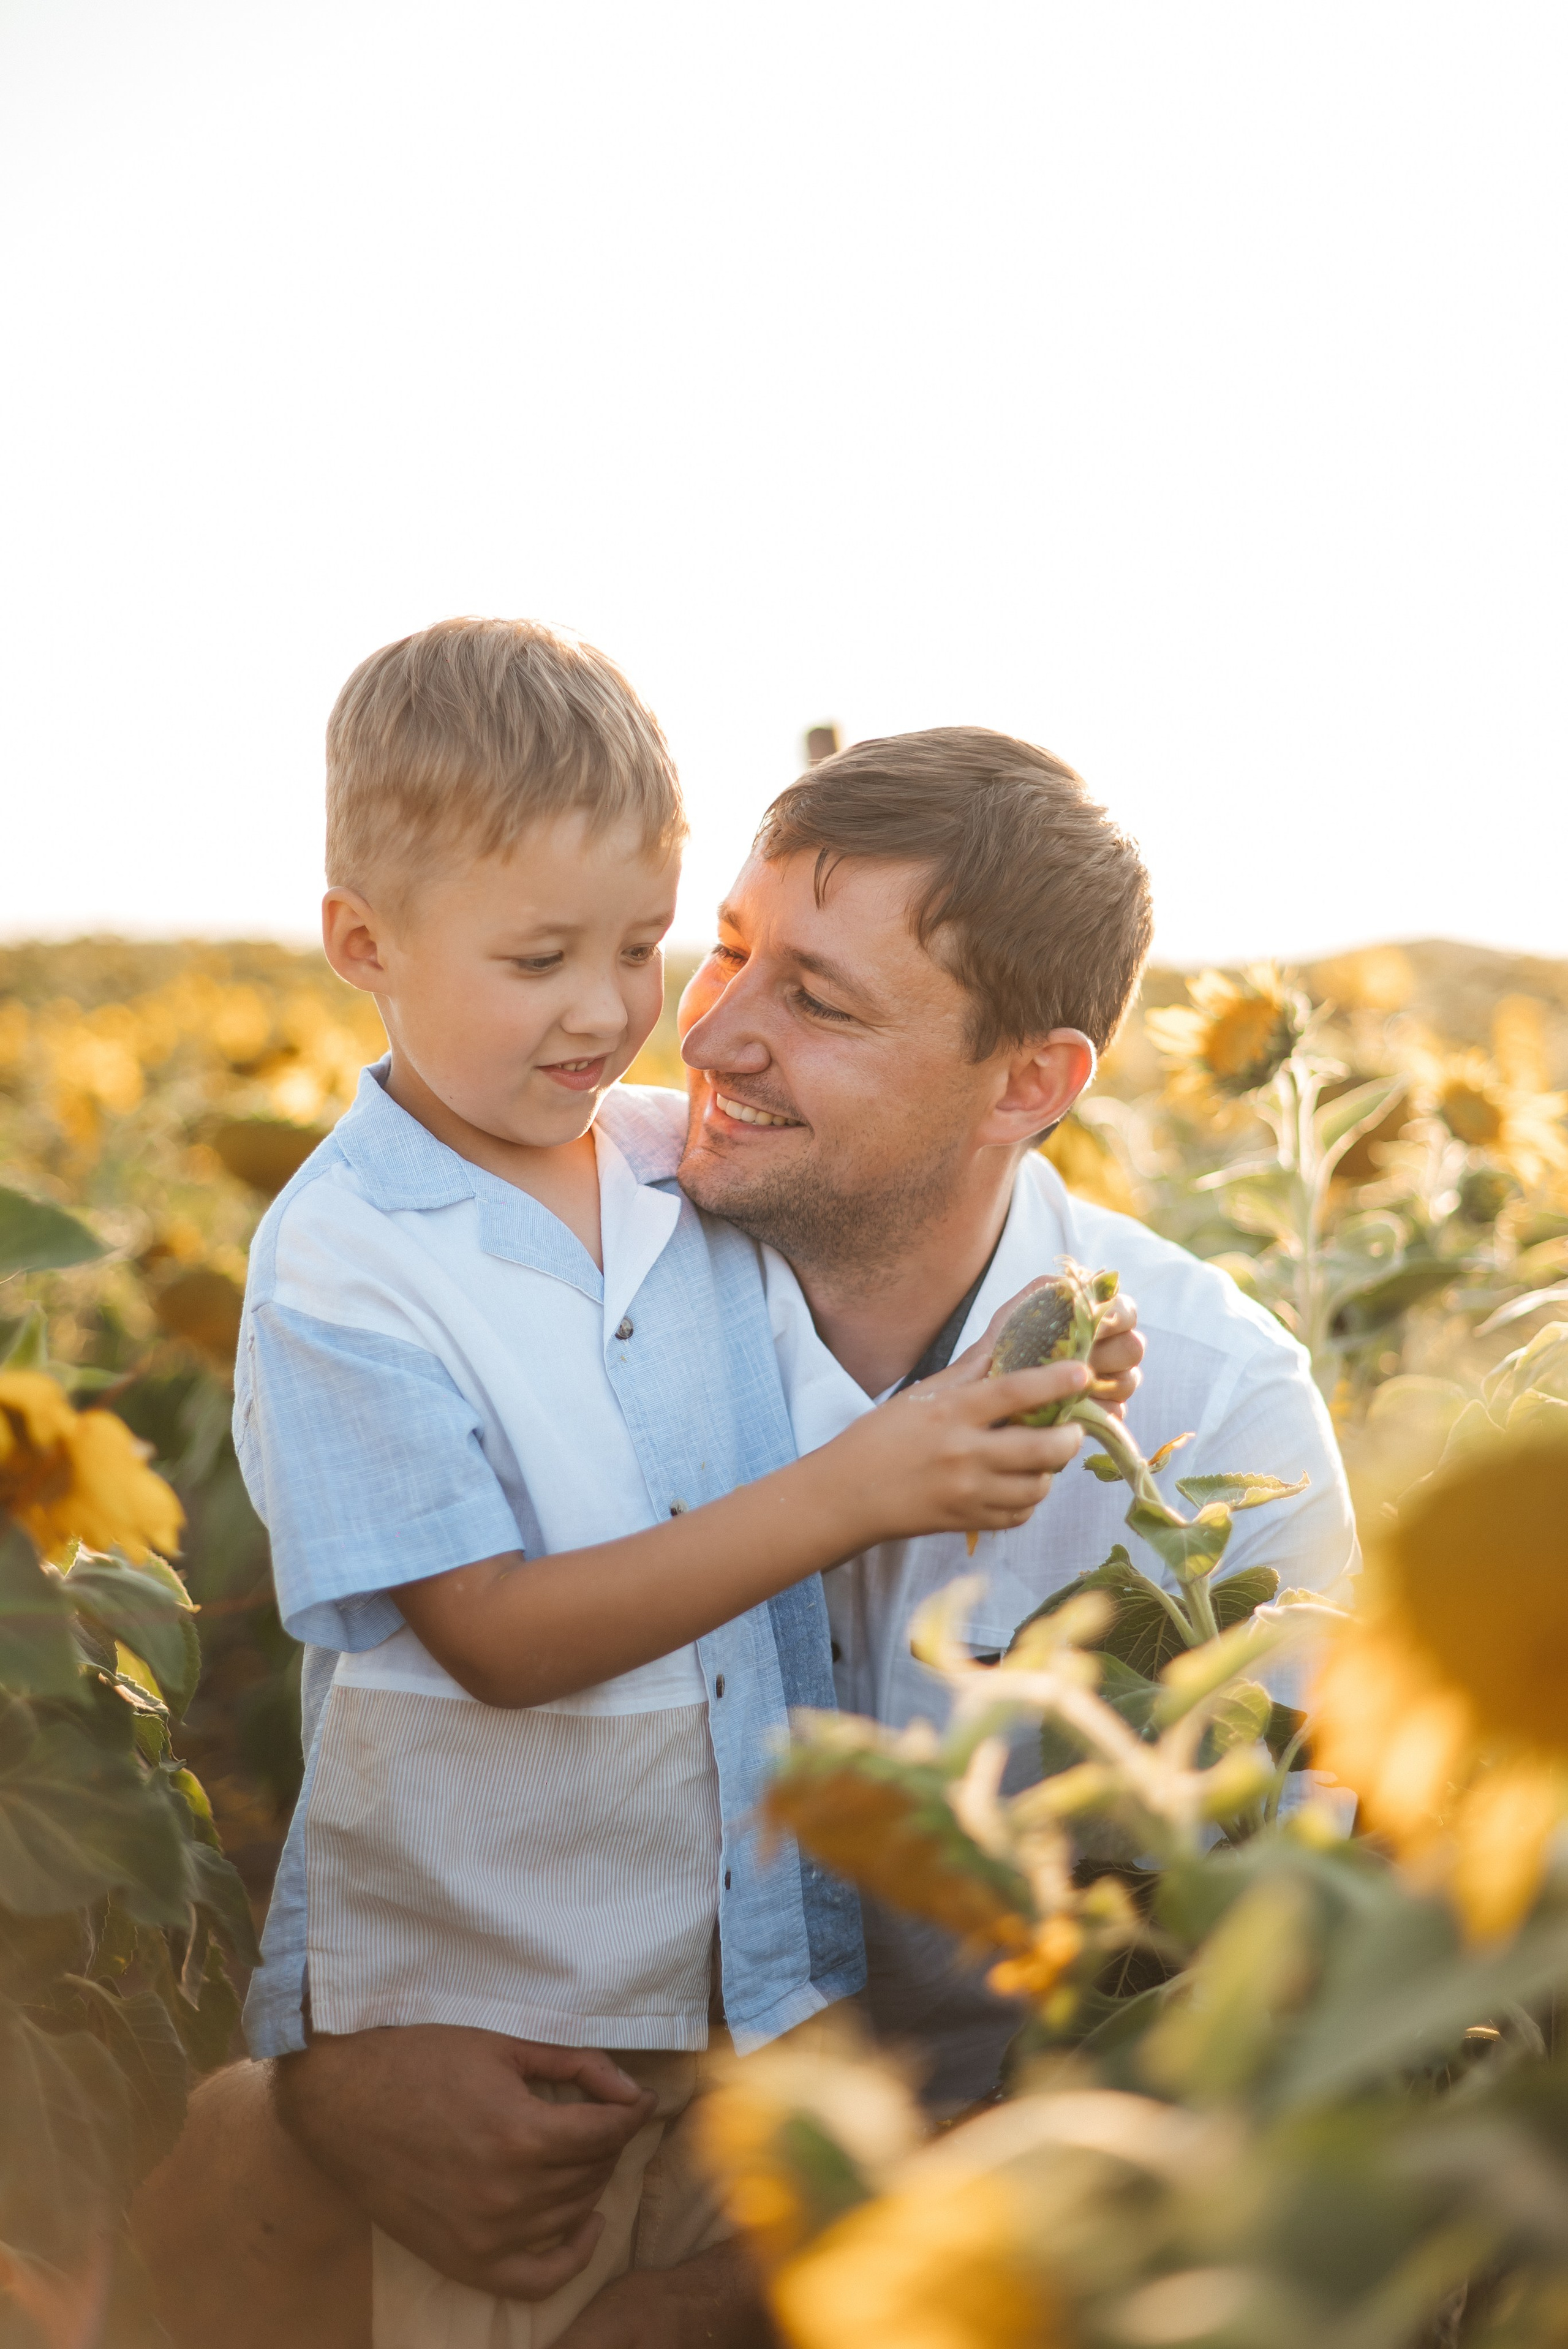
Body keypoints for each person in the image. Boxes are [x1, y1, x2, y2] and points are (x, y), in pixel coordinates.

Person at [135, 720, 1347, 2347]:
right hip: (595, 2096)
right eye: (724, 950)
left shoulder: (1213, 1423)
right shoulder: (559, 1220)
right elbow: (428, 1679)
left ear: (1035, 1084)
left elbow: (1252, 2012)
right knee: (235, 2152)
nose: (705, 1033)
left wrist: (748, 2296)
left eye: (818, 999)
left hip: (976, 2204)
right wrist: (339, 2066)